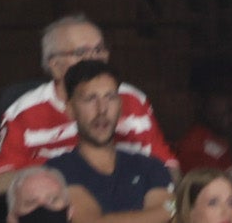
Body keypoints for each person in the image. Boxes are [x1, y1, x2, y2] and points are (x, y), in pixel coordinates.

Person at [0, 24, 175, 195]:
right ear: (55, 65)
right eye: (82, 52)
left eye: (99, 50)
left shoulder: (133, 99)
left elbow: (171, 170)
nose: (95, 58)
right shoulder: (23, 111)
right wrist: (64, 174)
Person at [50, 64, 176, 223]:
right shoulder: (57, 171)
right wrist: (156, 215)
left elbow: (171, 210)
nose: (102, 109)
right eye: (90, 99)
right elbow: (90, 221)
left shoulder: (151, 167)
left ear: (120, 106)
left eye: (110, 97)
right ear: (70, 110)